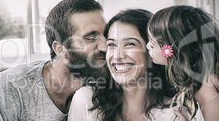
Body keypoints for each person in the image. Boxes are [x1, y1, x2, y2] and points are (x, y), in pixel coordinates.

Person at [0, 0, 108, 121]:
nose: (105, 47)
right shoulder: (8, 89)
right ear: (60, 49)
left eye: (107, 35)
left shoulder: (107, 82)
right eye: (90, 38)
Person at [68, 9, 204, 121]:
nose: (117, 56)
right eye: (112, 45)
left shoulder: (176, 112)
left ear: (152, 50)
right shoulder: (86, 100)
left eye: (130, 44)